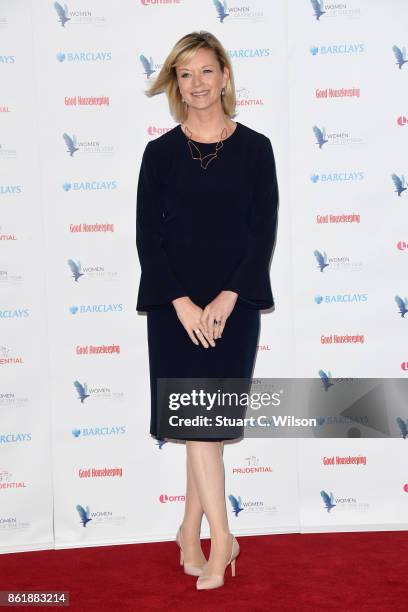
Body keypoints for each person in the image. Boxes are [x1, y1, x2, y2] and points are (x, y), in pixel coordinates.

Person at [135, 31, 279, 590]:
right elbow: (149, 239)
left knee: (208, 427)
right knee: (197, 423)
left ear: (224, 76)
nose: (196, 84)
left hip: (233, 305)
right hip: (176, 309)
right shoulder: (159, 153)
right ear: (176, 83)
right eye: (185, 74)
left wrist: (225, 299)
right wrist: (182, 304)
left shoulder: (256, 148)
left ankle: (189, 526)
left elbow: (259, 232)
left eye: (205, 71)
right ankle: (224, 539)